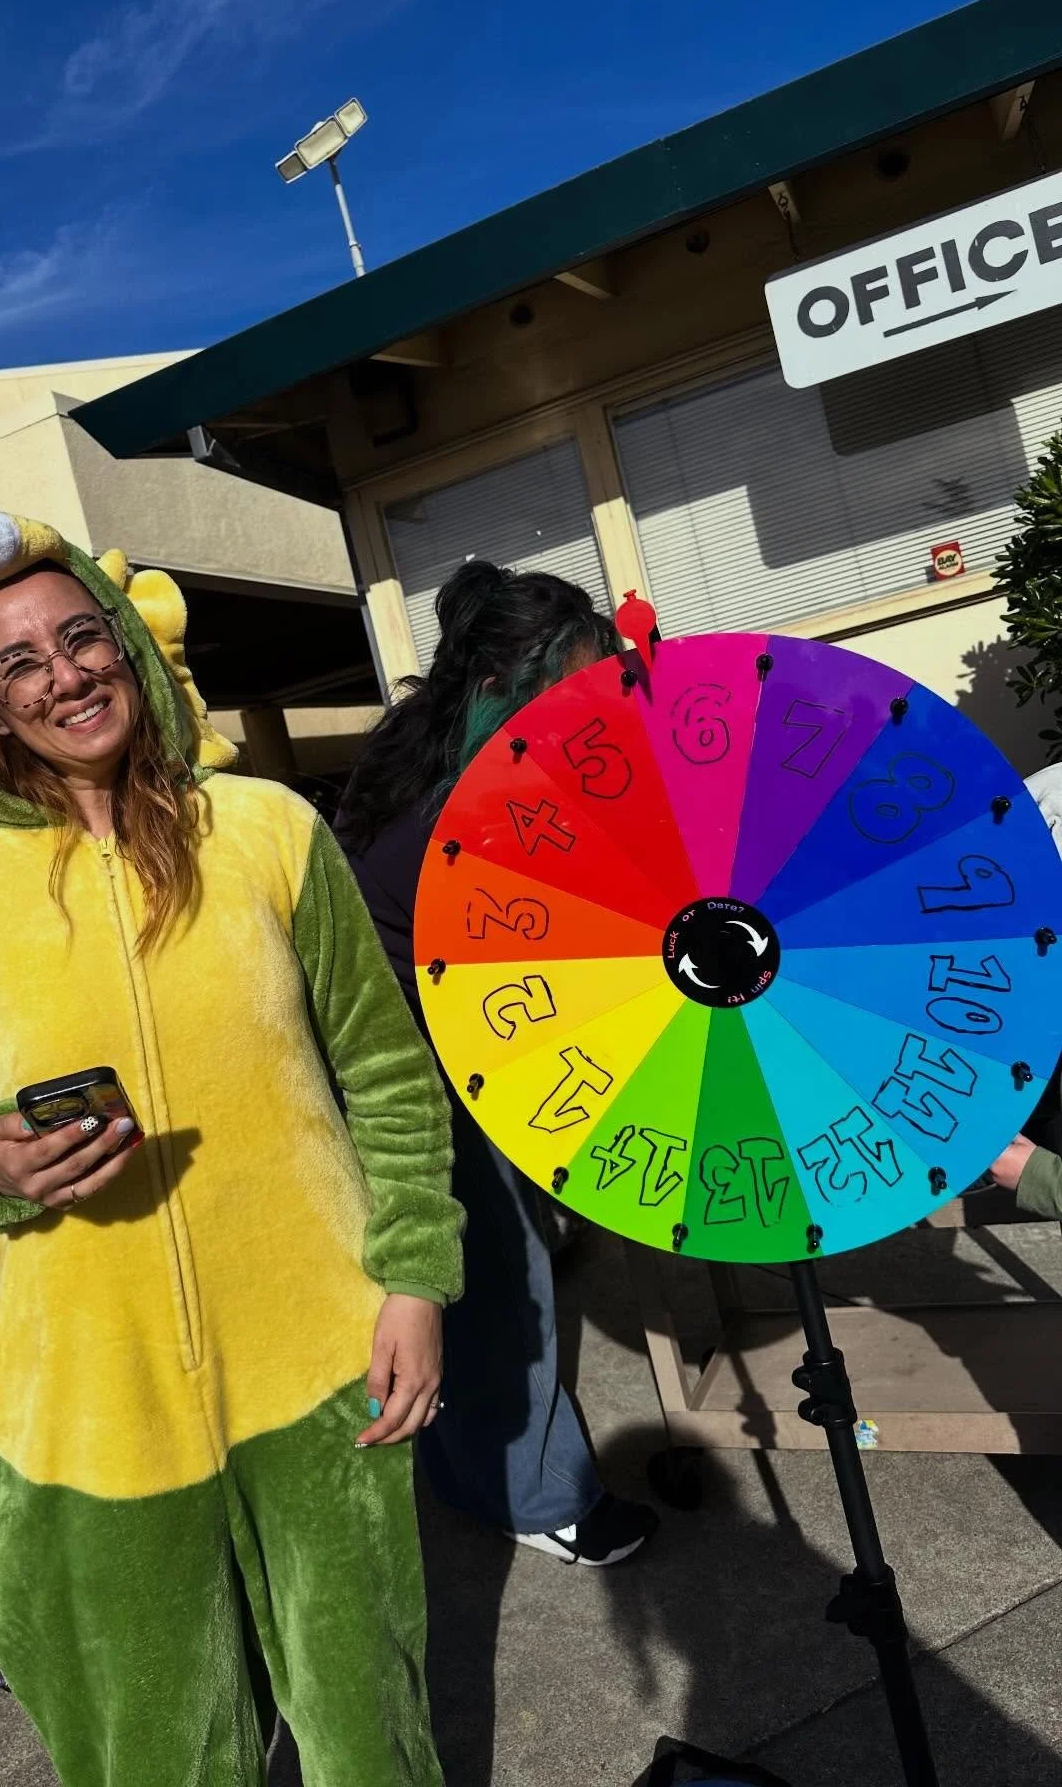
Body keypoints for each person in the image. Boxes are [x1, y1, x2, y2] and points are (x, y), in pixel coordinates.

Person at [0, 481, 463, 1787]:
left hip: (319, 1370)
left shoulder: (268, 834)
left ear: (125, 642)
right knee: (160, 1759)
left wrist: (413, 1278)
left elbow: (390, 1076)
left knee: (371, 1735)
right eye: (15, 662)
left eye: (79, 638)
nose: (63, 676)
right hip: (91, 1410)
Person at [336, 560, 658, 1568]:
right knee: (500, 1274)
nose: (585, 709)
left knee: (478, 1269)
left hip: (415, 1030)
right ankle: (542, 1496)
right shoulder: (465, 793)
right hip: (415, 1052)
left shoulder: (421, 733)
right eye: (566, 687)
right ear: (499, 682)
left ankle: (468, 1474)